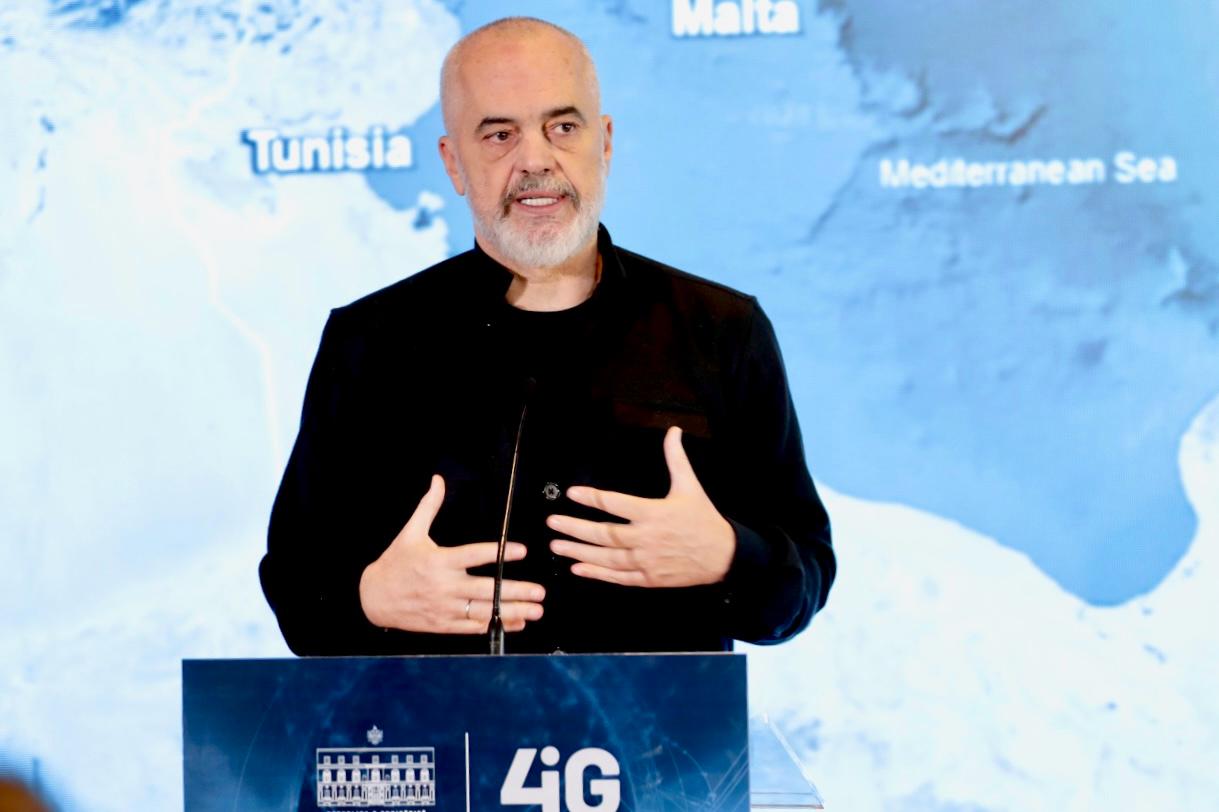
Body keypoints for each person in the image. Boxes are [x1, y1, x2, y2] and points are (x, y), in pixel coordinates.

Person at [259, 16, 835, 655]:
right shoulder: (369, 341)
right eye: (499, 134)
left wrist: (728, 555)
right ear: (453, 163)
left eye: (562, 128)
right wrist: (369, 597)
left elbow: (806, 579)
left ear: (604, 143)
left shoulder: (724, 330)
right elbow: (295, 588)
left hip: (657, 722)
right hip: (441, 719)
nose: (535, 160)